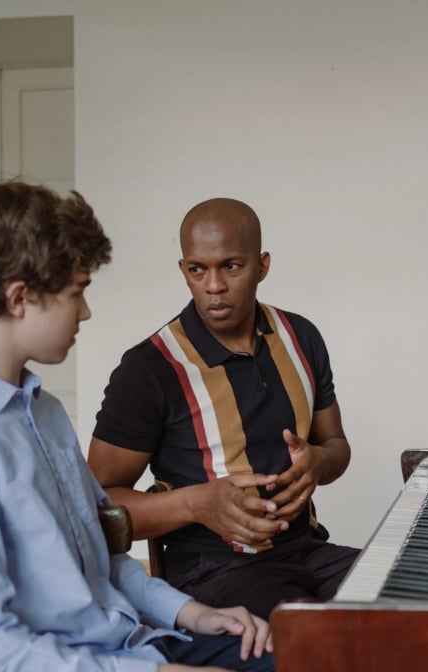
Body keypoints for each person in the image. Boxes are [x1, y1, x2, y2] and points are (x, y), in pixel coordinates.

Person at [0, 181, 276, 672]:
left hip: (137, 648)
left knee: (321, 660)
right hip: (85, 671)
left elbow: (104, 565)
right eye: (77, 293)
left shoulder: (42, 411)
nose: (86, 312)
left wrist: (193, 614)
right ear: (20, 297)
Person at [88, 197, 359, 619]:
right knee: (320, 637)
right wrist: (198, 504)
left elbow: (336, 445)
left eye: (231, 266)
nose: (213, 286)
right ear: (184, 271)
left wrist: (319, 463)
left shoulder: (300, 337)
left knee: (421, 600)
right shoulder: (150, 368)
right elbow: (100, 509)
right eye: (198, 270)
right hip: (213, 572)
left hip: (307, 551)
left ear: (262, 266)